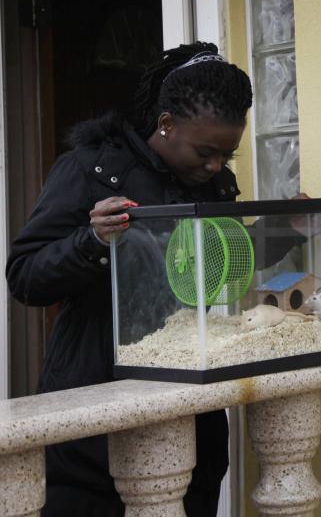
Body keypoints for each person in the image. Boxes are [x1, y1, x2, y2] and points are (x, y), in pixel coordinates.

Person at [6, 42, 254, 516]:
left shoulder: (216, 184)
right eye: (206, 152)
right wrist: (90, 241)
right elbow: (25, 277)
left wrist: (290, 235)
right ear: (166, 124)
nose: (216, 166)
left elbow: (226, 261)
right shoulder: (91, 170)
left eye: (228, 155)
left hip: (189, 410)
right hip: (93, 404)